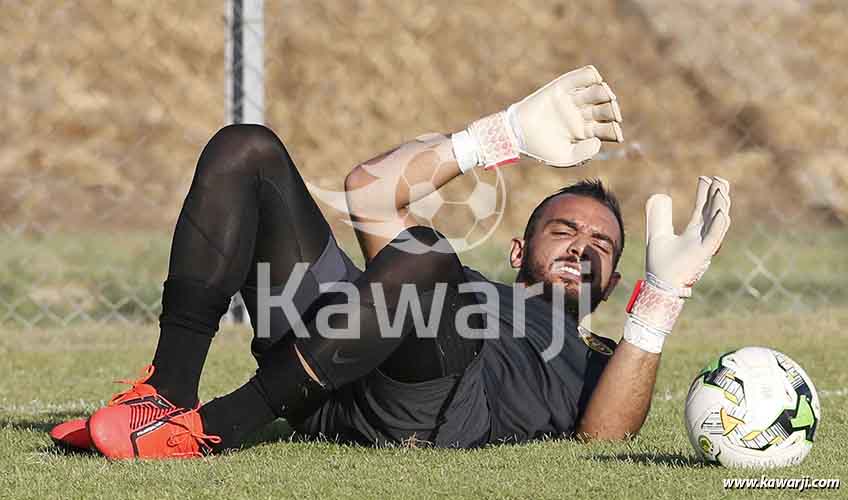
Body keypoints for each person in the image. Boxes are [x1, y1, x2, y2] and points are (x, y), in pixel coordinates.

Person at [49, 66, 730, 458]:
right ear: (519, 250)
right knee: (246, 148)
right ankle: (164, 396)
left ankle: (216, 427)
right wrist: (505, 134)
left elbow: (605, 436)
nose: (582, 245)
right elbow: (369, 191)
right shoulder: (468, 288)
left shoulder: (607, 361)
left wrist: (662, 298)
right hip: (337, 355)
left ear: (612, 285)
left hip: (428, 406)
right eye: (564, 230)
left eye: (602, 247)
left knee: (426, 255)